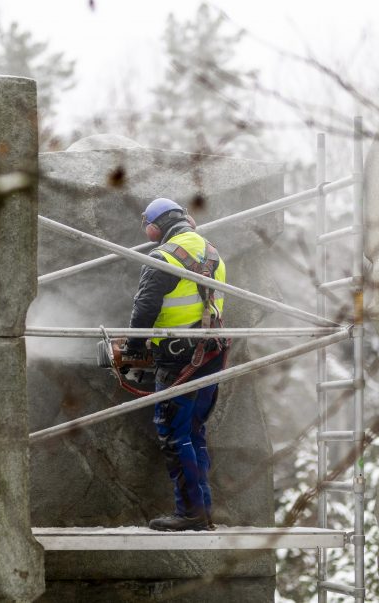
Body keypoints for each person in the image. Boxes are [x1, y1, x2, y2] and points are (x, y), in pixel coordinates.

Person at [125, 197, 227, 531]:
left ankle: (190, 514)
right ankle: (203, 510)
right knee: (194, 432)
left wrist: (133, 353)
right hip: (211, 355)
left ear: (155, 225)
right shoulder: (213, 253)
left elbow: (143, 311)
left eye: (146, 224)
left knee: (173, 434)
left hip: (177, 359)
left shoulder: (163, 257)